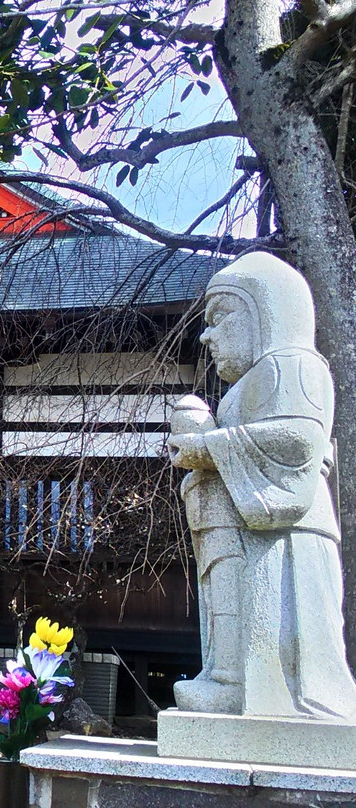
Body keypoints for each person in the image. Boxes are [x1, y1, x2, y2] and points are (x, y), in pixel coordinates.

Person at [168, 252, 356, 718]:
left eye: (220, 317)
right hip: (243, 526)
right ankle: (228, 677)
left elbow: (299, 442)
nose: (206, 335)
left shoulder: (292, 366)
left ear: (265, 312)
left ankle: (255, 686)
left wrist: (211, 448)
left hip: (287, 535)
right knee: (235, 605)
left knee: (277, 622)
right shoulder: (248, 384)